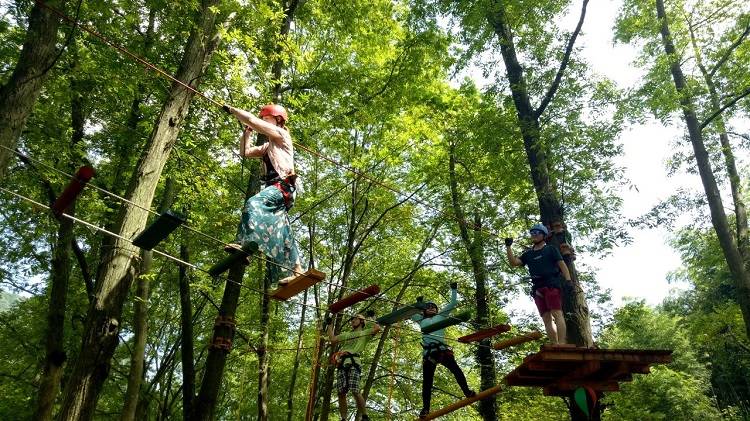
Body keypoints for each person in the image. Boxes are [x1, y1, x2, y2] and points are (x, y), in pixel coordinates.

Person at [223, 103, 303, 286]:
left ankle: (245, 244)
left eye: (266, 119)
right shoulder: (268, 146)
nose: (262, 122)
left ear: (278, 120)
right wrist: (248, 132)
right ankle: (297, 270)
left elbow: (253, 120)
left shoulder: (282, 135)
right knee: (283, 231)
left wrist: (234, 111)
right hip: (280, 189)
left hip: (282, 186)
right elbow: (245, 152)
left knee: (253, 203)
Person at [411, 283, 475, 418]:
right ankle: (425, 409)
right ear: (424, 311)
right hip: (429, 353)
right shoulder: (421, 320)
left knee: (457, 370)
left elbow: (453, 303)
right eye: (428, 307)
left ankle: (467, 391)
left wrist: (453, 289)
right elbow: (410, 313)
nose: (431, 308)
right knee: (427, 382)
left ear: (437, 310)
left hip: (442, 350)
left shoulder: (440, 316)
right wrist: (419, 303)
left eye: (434, 307)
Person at [505, 223, 572, 345]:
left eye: (537, 233)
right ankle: (554, 343)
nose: (534, 235)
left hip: (551, 284)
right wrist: (508, 247)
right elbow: (514, 262)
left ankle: (562, 343)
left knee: (557, 313)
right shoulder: (528, 254)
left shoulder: (550, 249)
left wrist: (568, 281)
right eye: (532, 233)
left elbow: (562, 265)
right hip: (538, 288)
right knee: (546, 318)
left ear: (543, 235)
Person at [327, 313, 381, 421]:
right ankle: (343, 418)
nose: (352, 321)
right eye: (351, 319)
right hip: (342, 364)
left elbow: (377, 328)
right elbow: (332, 340)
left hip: (353, 363)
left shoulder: (364, 333)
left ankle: (365, 416)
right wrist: (329, 325)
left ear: (361, 321)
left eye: (355, 319)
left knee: (355, 389)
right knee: (341, 393)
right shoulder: (346, 335)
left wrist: (372, 318)